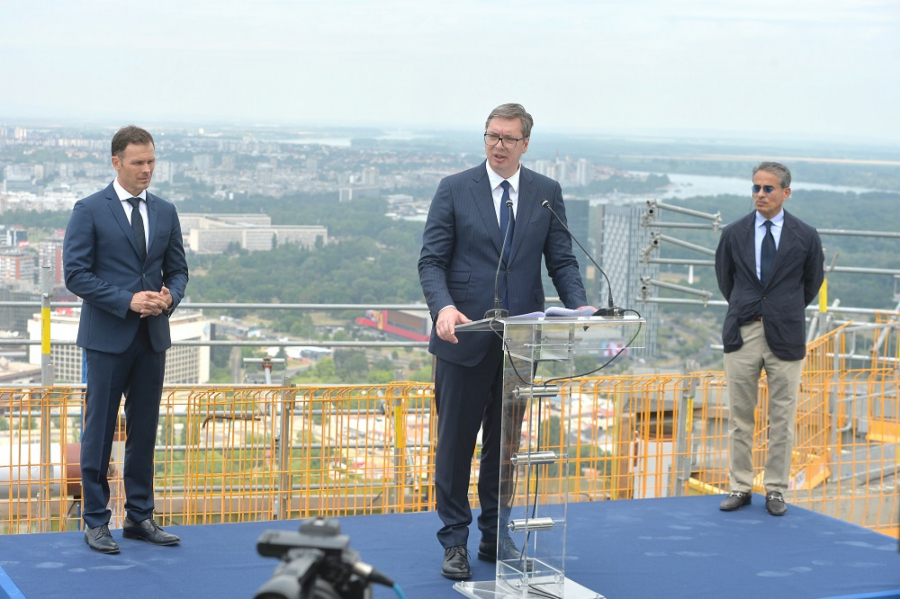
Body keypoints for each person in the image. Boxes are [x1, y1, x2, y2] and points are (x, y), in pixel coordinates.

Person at [418, 103, 591, 580]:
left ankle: (496, 535)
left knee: (506, 448)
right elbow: (431, 261)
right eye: (492, 136)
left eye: (508, 138)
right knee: (454, 447)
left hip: (521, 346)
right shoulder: (454, 189)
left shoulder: (545, 193)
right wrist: (443, 308)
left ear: (525, 144)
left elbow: (562, 262)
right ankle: (454, 540)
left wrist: (577, 306)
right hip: (463, 340)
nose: (498, 145)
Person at [63, 125, 189, 553]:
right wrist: (128, 301)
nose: (147, 170)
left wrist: (170, 297)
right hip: (107, 337)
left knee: (145, 432)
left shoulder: (166, 211)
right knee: (97, 432)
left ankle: (140, 517)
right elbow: (76, 274)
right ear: (116, 162)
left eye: (152, 161)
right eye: (138, 162)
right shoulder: (89, 209)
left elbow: (179, 270)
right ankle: (96, 520)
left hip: (152, 336)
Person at [715, 161, 824, 517]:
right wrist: (751, 309)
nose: (760, 194)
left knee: (782, 418)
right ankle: (740, 486)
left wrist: (782, 309)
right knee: (740, 418)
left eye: (767, 189)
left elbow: (810, 284)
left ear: (785, 193)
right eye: (755, 188)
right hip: (743, 332)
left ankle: (775, 490)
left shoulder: (806, 236)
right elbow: (726, 281)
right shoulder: (733, 233)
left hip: (786, 334)